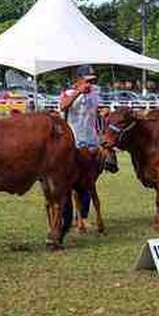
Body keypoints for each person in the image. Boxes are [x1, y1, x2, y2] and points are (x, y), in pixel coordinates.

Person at [59, 65, 100, 231]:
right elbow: (63, 106)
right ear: (79, 79)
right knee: (70, 182)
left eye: (92, 80)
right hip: (73, 143)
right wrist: (78, 92)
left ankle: (82, 217)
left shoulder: (95, 95)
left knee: (88, 182)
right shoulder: (68, 93)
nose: (90, 83)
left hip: (91, 142)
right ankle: (68, 216)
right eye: (87, 80)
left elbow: (95, 113)